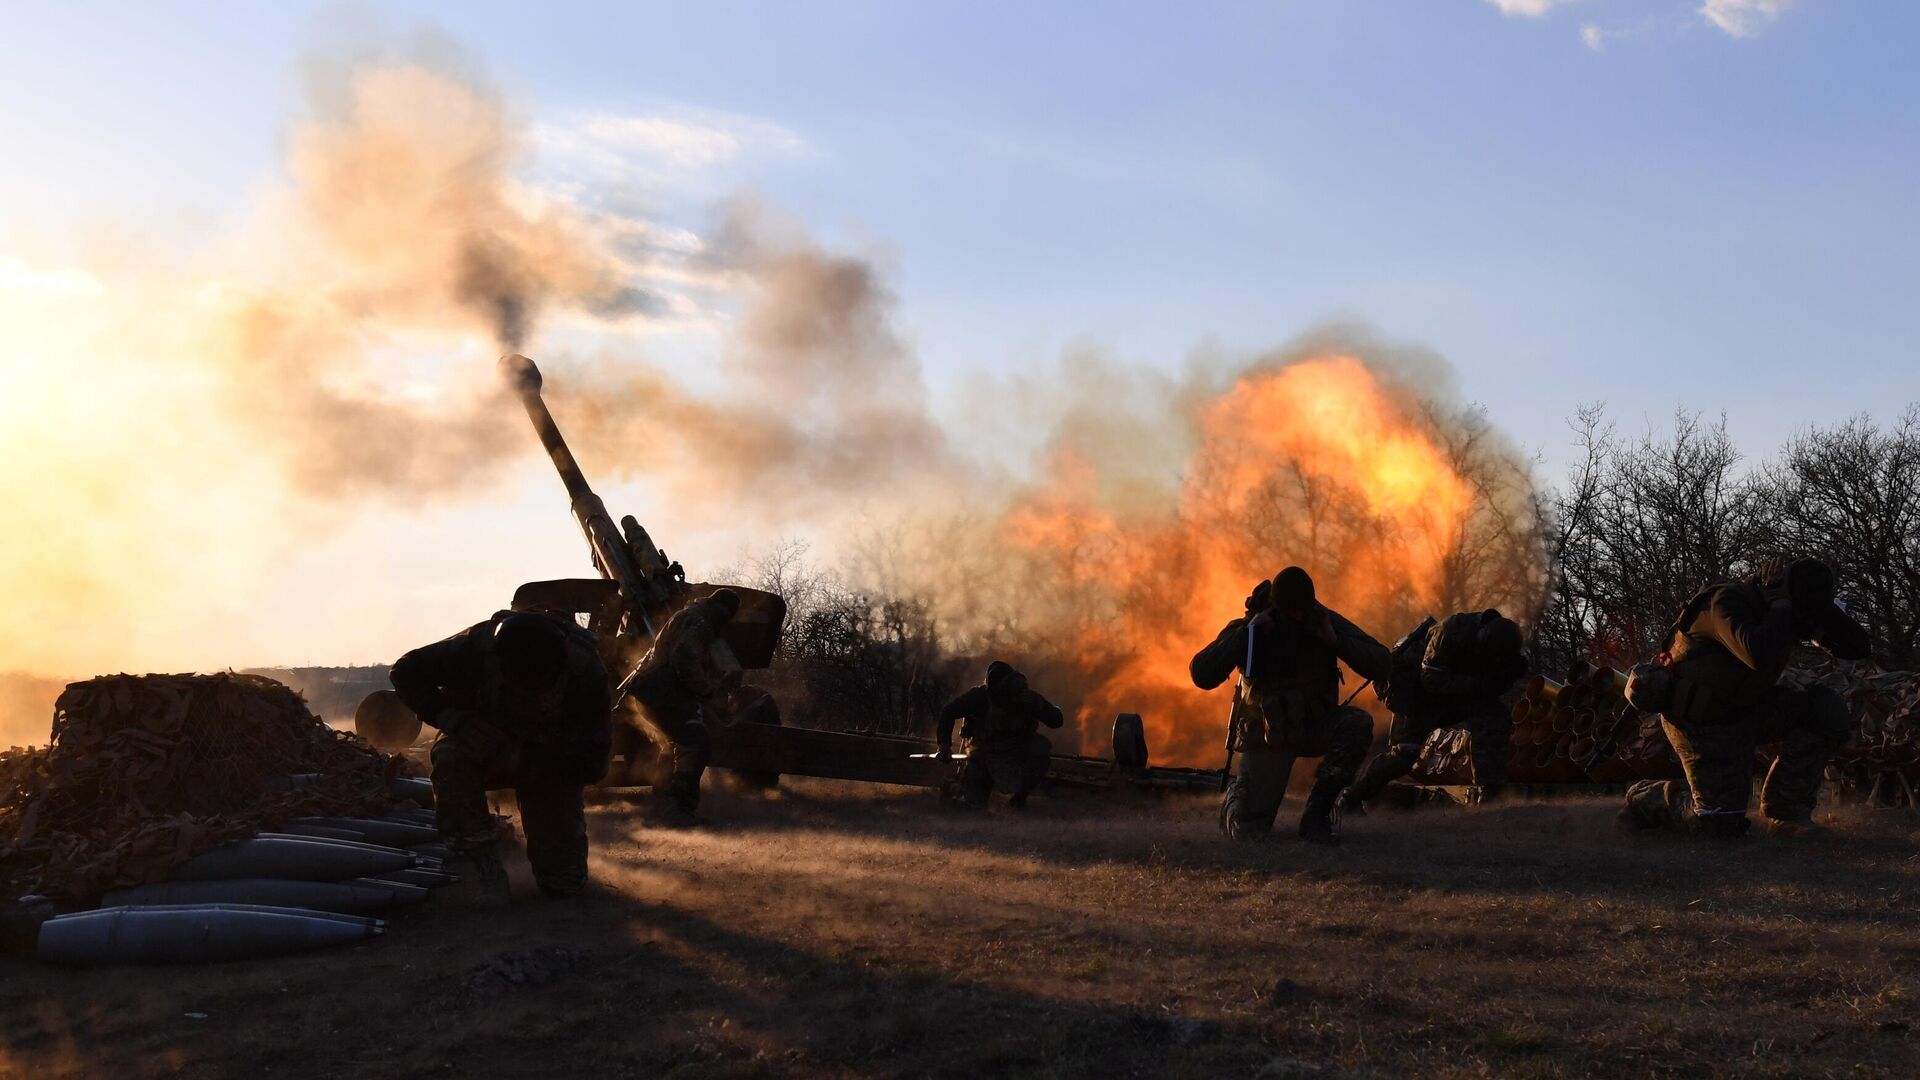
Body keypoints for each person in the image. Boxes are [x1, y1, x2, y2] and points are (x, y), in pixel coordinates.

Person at [1619, 556, 1870, 838]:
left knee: (1825, 710)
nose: (1807, 620)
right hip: (1702, 724)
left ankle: (1787, 810)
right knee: (1718, 825)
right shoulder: (1725, 603)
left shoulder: (1792, 613)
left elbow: (1858, 647)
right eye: (1803, 611)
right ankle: (1647, 798)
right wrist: (1782, 608)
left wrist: (1824, 619)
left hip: (1747, 709)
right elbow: (1757, 654)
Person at [389, 610, 612, 904]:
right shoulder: (474, 647)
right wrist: (454, 719)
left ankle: (555, 863)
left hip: (545, 760)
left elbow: (594, 762)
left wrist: (541, 764)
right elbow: (405, 671)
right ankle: (486, 869)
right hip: (483, 746)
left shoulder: (586, 672)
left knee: (564, 885)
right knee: (450, 757)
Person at [1191, 566, 1391, 844]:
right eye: (1291, 611)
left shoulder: (1322, 621)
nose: (1297, 617)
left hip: (1313, 727)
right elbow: (1201, 673)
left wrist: (1335, 641)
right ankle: (1238, 797)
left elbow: (1382, 663)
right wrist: (1246, 637)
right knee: (1249, 833)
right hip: (1267, 737)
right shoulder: (1252, 626)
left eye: (1302, 610)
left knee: (1356, 723)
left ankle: (1317, 816)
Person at [1340, 609, 1528, 812]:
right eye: (1495, 657)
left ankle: (1491, 792)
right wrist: (1480, 685)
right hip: (1415, 696)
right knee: (1404, 756)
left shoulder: (1499, 646)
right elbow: (1431, 679)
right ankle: (1352, 796)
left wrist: (1504, 679)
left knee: (1494, 717)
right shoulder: (1449, 632)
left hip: (1453, 694)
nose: (1497, 661)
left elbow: (1495, 680)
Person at [621, 588, 743, 823]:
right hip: (661, 692)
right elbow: (684, 660)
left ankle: (662, 803)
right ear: (723, 610)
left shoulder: (691, 617)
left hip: (653, 692)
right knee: (695, 743)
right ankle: (676, 810)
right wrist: (706, 690)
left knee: (674, 745)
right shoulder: (697, 622)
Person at [936, 661, 1064, 809]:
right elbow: (949, 712)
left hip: (1016, 754)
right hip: (984, 756)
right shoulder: (980, 697)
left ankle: (1019, 799)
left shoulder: (1026, 698)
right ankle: (958, 790)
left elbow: (1056, 721)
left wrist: (1040, 705)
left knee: (1041, 746)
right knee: (973, 805)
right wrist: (944, 745)